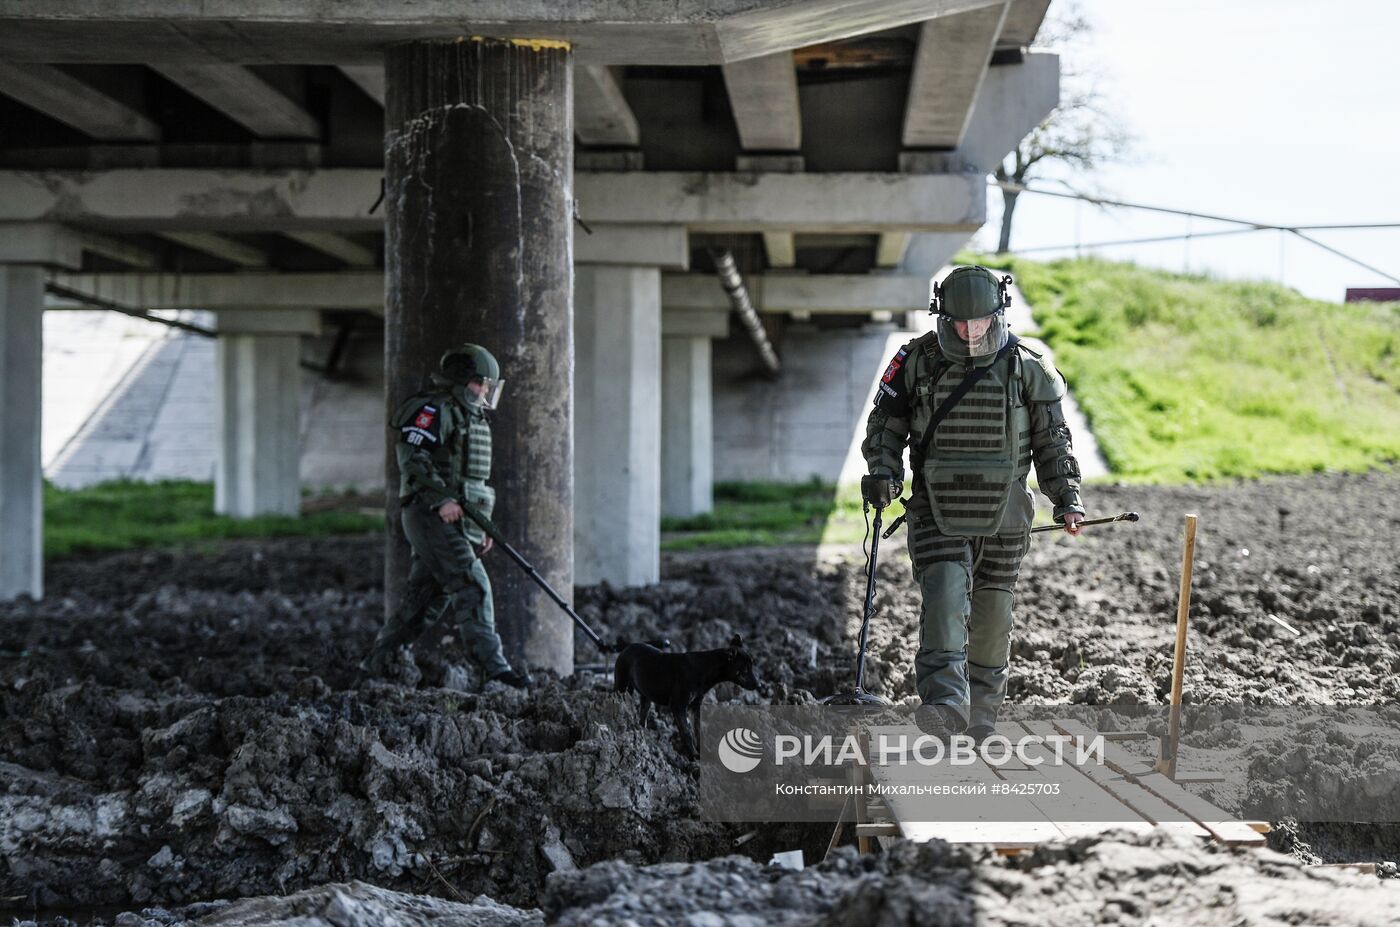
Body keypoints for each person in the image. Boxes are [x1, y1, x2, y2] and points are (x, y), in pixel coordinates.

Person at [862, 265, 1085, 741]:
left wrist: (1066, 497)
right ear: (943, 315)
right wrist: (882, 473)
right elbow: (885, 427)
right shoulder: (916, 361)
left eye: (979, 322)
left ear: (997, 313)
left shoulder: (1027, 365)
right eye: (960, 323)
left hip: (1005, 513)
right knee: (943, 598)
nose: (970, 331)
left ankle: (983, 716)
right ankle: (944, 705)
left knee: (992, 615)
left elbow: (1053, 440)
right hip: (935, 510)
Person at [360, 343, 532, 688]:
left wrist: (478, 528)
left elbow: (468, 480)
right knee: (473, 584)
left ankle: (378, 663)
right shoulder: (432, 409)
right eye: (481, 383)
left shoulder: (466, 416)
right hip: (429, 514)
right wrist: (440, 500)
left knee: (426, 600)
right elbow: (412, 457)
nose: (485, 392)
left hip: (452, 519)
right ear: (464, 381)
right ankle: (495, 670)